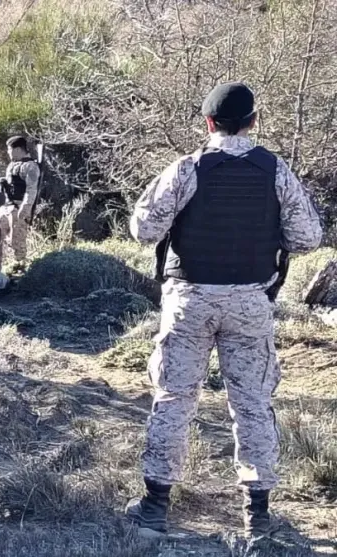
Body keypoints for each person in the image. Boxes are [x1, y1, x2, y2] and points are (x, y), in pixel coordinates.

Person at [125, 82, 322, 541]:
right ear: (253, 122)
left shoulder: (187, 168)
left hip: (189, 301)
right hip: (250, 301)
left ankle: (154, 509)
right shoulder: (275, 170)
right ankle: (258, 516)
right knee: (252, 405)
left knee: (174, 399)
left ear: (208, 122)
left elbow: (143, 229)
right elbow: (308, 237)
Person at [0, 136, 41, 264]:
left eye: (10, 149)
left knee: (17, 241)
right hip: (6, 206)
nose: (8, 152)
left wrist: (24, 210)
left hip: (19, 207)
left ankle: (20, 267)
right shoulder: (12, 165)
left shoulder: (30, 166)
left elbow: (31, 190)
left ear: (18, 149)